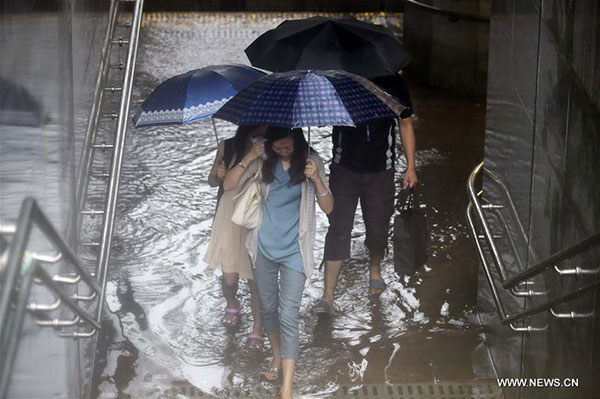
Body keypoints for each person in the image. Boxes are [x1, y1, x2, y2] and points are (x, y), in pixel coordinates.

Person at [223, 126, 333, 399]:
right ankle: (275, 356)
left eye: (288, 148)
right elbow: (228, 185)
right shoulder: (262, 161)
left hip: (294, 251)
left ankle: (287, 386)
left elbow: (329, 207)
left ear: (298, 141)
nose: (283, 152)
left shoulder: (311, 161)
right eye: (278, 148)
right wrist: (249, 156)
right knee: (269, 310)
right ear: (270, 144)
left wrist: (317, 179)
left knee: (288, 314)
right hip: (263, 250)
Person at [316, 74, 418, 314]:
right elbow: (321, 113)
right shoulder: (339, 80)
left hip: (381, 168)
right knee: (339, 227)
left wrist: (411, 167)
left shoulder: (393, 83)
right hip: (345, 168)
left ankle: (375, 269)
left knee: (378, 224)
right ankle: (328, 296)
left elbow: (405, 122)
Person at [204, 125, 267, 350]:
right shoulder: (228, 146)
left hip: (259, 215)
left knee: (256, 279)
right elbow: (212, 182)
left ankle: (257, 328)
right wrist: (217, 175)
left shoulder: (276, 146)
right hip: (229, 215)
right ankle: (232, 302)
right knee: (229, 277)